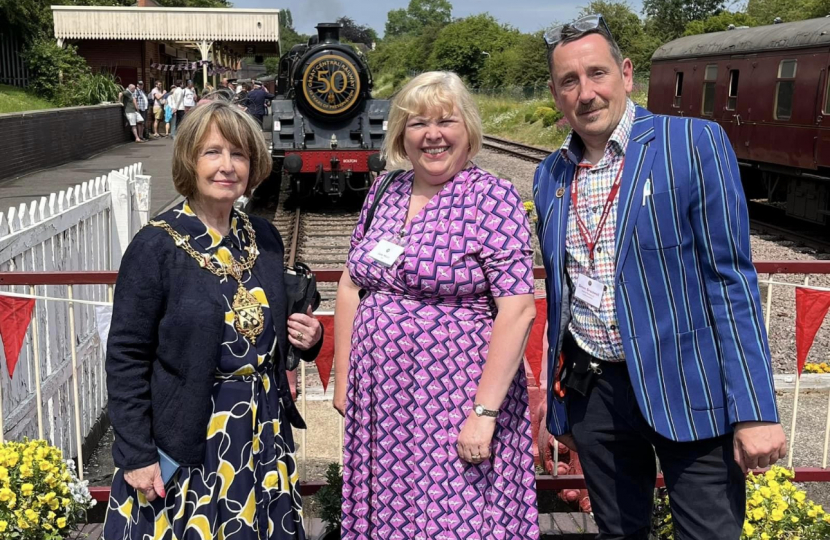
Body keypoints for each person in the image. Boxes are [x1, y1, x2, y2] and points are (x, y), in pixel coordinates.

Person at [534, 14, 786, 540]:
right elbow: (561, 296)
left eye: (597, 73)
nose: (586, 93)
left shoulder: (693, 144)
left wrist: (755, 409)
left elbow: (730, 280)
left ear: (626, 74)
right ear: (557, 95)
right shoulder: (550, 174)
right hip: (597, 395)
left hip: (690, 387)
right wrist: (560, 404)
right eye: (569, 81)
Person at [103, 99, 323, 540]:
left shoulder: (262, 235)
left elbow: (268, 326)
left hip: (262, 429)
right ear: (190, 160)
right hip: (192, 433)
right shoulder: (156, 247)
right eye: (213, 152)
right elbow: (126, 357)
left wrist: (307, 339)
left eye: (238, 154)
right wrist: (136, 453)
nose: (227, 166)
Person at [334, 71, 541, 539]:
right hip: (382, 404)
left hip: (453, 401)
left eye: (446, 120)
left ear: (467, 128)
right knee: (390, 515)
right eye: (416, 123)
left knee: (452, 517)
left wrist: (484, 415)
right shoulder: (385, 191)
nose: (432, 134)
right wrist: (344, 379)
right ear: (400, 135)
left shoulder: (492, 197)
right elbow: (350, 284)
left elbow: (518, 309)